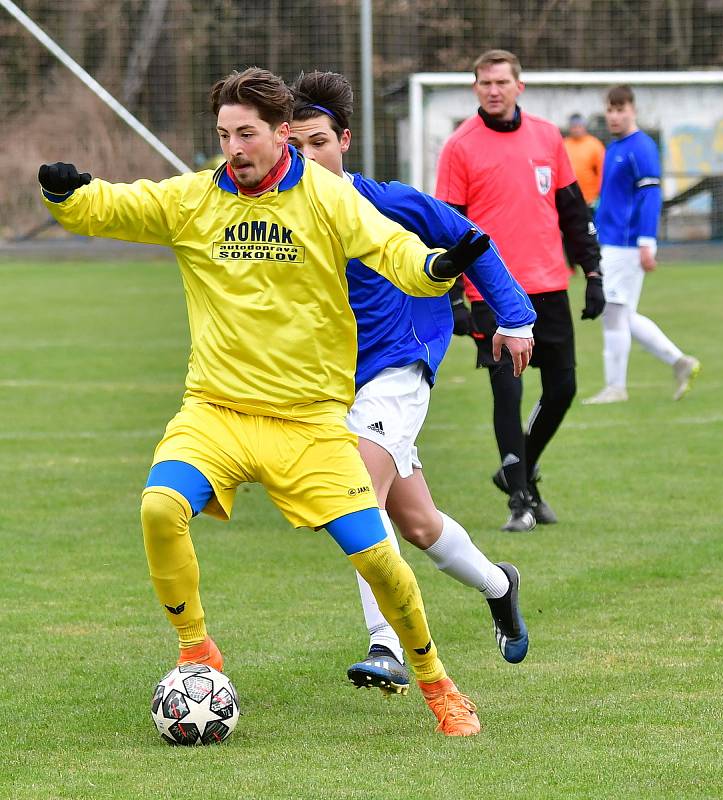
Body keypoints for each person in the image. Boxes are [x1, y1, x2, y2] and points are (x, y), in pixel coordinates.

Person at [38, 67, 495, 736]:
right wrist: (67, 197)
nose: (233, 149)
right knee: (160, 506)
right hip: (216, 412)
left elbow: (391, 248)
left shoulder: (326, 199)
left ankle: (438, 686)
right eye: (223, 135)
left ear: (283, 134)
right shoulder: (196, 199)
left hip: (308, 423)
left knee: (378, 558)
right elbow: (119, 205)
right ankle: (196, 647)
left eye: (246, 134)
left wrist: (434, 269)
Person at [288, 70, 537, 696]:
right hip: (336, 383)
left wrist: (514, 317)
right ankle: (500, 586)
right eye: (297, 146)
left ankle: (386, 644)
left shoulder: (388, 201)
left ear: (344, 141)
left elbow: (470, 240)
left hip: (399, 366)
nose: (308, 158)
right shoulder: (283, 215)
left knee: (354, 495)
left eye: (319, 142)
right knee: (419, 525)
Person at [434, 49, 605, 532]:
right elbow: (445, 227)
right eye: (484, 82)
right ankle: (520, 501)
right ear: (475, 88)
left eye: (501, 82)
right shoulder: (459, 146)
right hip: (491, 295)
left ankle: (517, 470)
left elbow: (573, 212)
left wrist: (593, 275)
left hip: (550, 287)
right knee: (506, 394)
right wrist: (454, 298)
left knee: (563, 387)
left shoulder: (548, 137)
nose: (493, 90)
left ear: (518, 86)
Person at [584, 85, 700, 404]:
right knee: (622, 314)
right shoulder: (614, 148)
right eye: (610, 109)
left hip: (627, 244)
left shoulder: (642, 148)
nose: (615, 116)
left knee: (613, 312)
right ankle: (680, 362)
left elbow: (650, 197)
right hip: (611, 241)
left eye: (620, 109)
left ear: (633, 110)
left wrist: (647, 242)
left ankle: (616, 387)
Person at [563, 113, 605, 208]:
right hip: (569, 200)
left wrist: (600, 195)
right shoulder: (564, 145)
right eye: (573, 126)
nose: (576, 129)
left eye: (579, 126)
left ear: (584, 126)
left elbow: (602, 171)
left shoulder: (595, 145)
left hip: (591, 200)